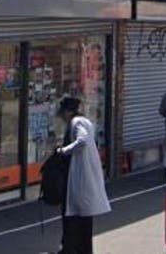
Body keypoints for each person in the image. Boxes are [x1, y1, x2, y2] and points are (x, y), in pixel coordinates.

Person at [49, 97, 110, 254]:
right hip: (82, 178)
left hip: (78, 178)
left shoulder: (77, 122)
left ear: (68, 112)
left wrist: (63, 151)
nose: (62, 117)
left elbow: (81, 141)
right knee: (82, 219)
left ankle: (71, 249)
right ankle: (78, 249)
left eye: (63, 113)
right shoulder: (85, 121)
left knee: (73, 218)